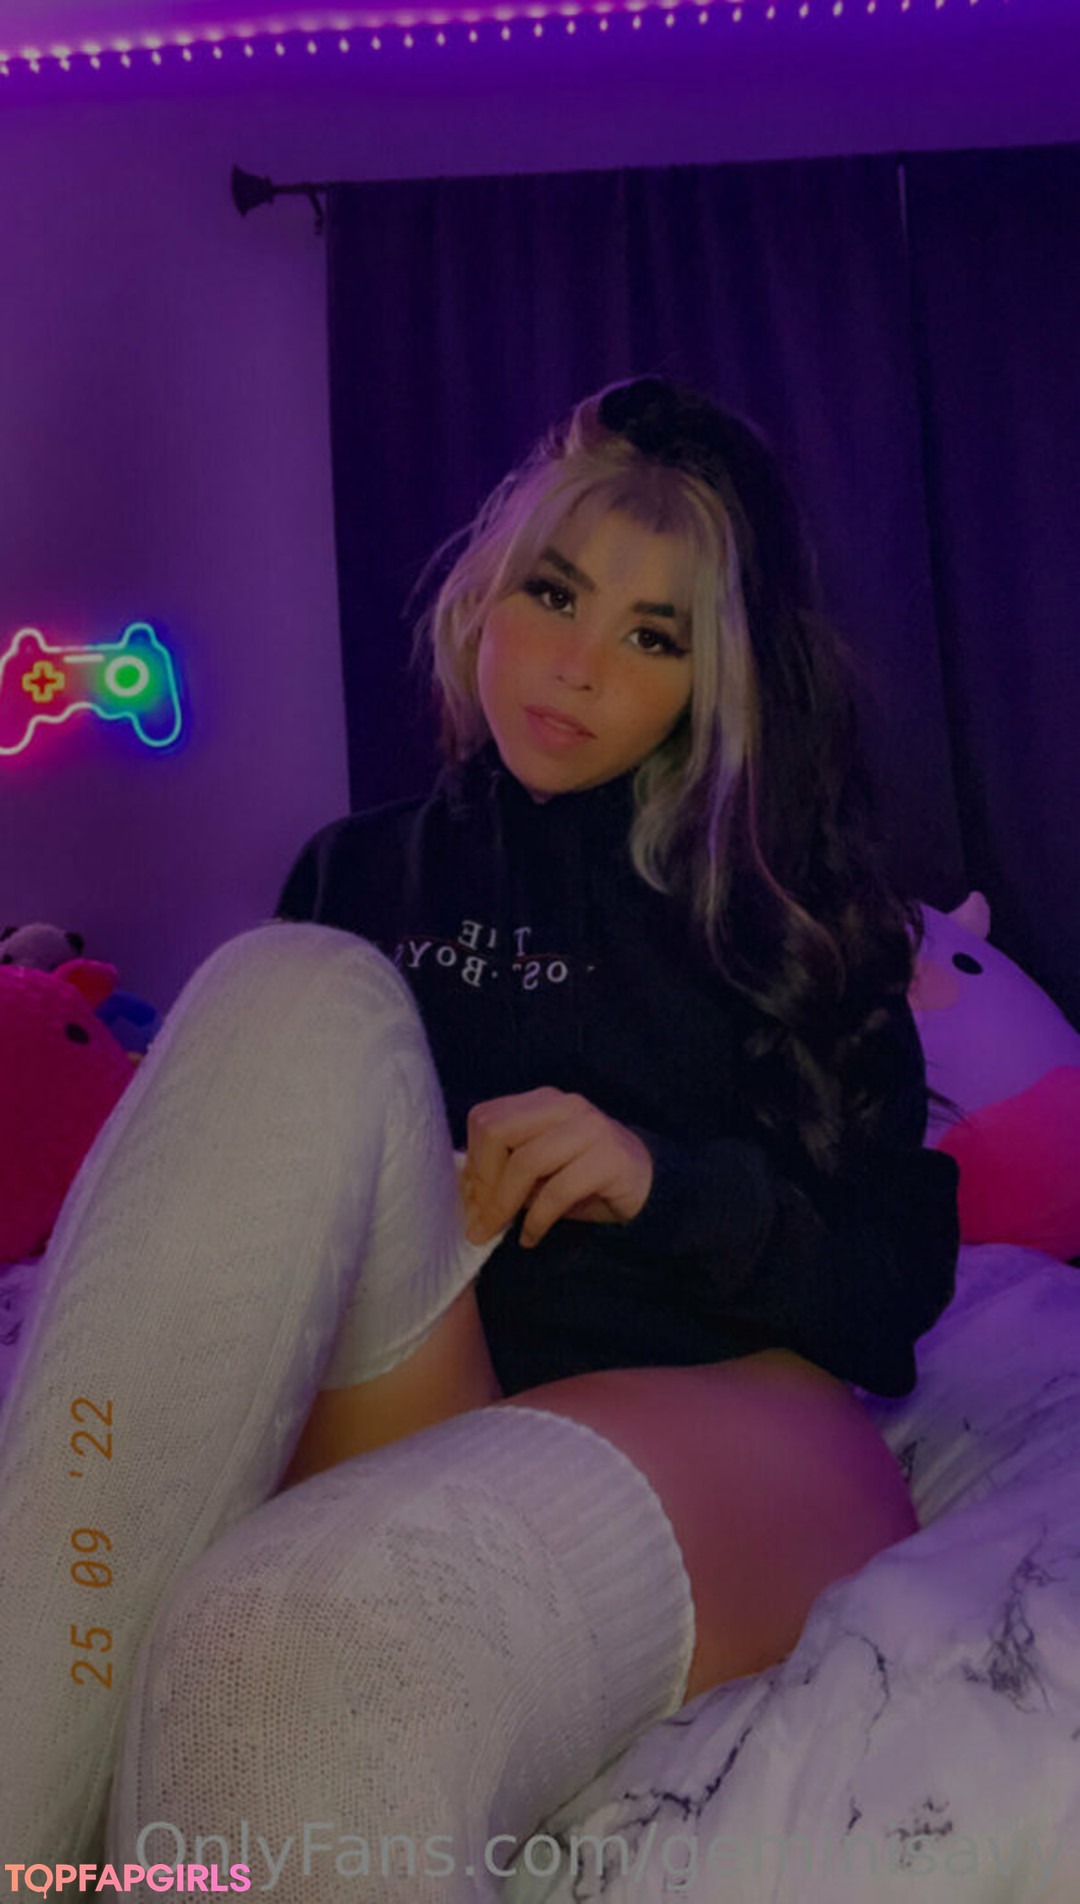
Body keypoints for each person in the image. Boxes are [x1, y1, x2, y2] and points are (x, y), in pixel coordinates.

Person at [0, 375, 961, 1898]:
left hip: (726, 1417)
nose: (576, 667)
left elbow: (892, 1287)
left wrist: (661, 1183)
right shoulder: (357, 872)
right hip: (429, 1384)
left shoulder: (785, 916)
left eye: (653, 638)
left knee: (292, 1652)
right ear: (484, 592)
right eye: (553, 595)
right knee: (282, 985)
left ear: (714, 679)